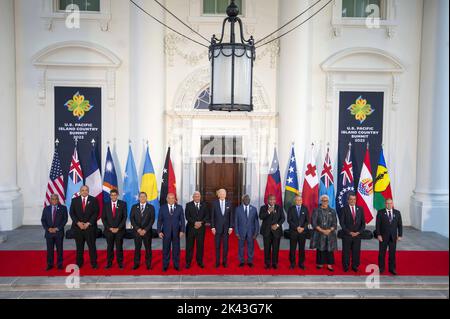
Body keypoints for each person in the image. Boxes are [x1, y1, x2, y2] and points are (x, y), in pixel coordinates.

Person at [69, 185, 99, 269]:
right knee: (79, 247)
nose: (84, 191)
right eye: (83, 190)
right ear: (80, 191)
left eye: (86, 190)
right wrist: (78, 223)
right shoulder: (74, 200)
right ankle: (79, 263)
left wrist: (88, 223)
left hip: (90, 228)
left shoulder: (93, 200)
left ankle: (94, 263)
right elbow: (72, 213)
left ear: (88, 191)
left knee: (92, 246)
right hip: (78, 228)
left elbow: (96, 213)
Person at [158, 193, 186, 271]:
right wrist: (159, 231)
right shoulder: (162, 208)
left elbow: (182, 220)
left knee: (176, 249)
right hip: (165, 232)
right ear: (167, 199)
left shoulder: (179, 208)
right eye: (169, 198)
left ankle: (176, 265)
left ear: (175, 199)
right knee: (166, 249)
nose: (171, 199)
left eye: (172, 198)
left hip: (176, 232)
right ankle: (165, 265)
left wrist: (182, 230)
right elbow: (159, 220)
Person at [310, 195, 338, 271]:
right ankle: (320, 263)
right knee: (320, 249)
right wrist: (322, 230)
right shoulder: (316, 210)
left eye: (326, 201)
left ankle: (329, 265)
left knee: (329, 249)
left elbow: (335, 223)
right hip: (319, 233)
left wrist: (329, 230)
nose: (324, 202)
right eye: (323, 200)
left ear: (328, 202)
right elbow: (313, 223)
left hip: (330, 233)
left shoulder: (332, 211)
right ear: (321, 201)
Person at [376, 198, 403, 275]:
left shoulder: (397, 213)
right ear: (385, 204)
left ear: (392, 204)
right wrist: (378, 235)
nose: (389, 205)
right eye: (387, 203)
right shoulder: (380, 212)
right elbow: (378, 225)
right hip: (383, 237)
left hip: (393, 237)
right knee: (382, 254)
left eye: (390, 203)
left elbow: (400, 225)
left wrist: (400, 235)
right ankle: (381, 268)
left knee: (392, 254)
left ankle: (392, 268)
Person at [41, 194, 68, 271]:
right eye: (53, 199)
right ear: (50, 200)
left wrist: (57, 228)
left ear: (58, 200)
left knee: (59, 250)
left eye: (56, 199)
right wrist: (48, 229)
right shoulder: (46, 209)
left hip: (58, 233)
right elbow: (43, 220)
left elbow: (65, 220)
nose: (54, 200)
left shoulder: (63, 208)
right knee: (50, 250)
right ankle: (50, 264)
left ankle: (60, 264)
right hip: (49, 233)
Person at [101, 189, 127, 269]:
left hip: (119, 230)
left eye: (115, 195)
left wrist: (118, 228)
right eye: (111, 195)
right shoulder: (106, 205)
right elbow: (103, 218)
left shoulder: (123, 204)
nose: (113, 196)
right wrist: (110, 228)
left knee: (119, 247)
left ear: (117, 195)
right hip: (109, 231)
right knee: (110, 247)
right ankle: (109, 263)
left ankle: (120, 263)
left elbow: (124, 217)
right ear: (110, 196)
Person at [340, 192, 365, 272]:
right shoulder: (344, 209)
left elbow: (363, 223)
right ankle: (346, 266)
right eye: (351, 199)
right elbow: (342, 223)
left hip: (357, 235)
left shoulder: (360, 209)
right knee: (346, 252)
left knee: (356, 251)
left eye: (354, 199)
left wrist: (358, 232)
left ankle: (355, 266)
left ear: (356, 200)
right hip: (347, 234)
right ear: (348, 200)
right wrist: (349, 232)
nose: (352, 201)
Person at [130, 192, 155, 270]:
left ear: (146, 198)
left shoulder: (151, 207)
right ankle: (136, 263)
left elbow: (152, 220)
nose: (142, 198)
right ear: (139, 198)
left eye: (144, 197)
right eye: (141, 197)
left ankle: (148, 264)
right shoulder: (134, 207)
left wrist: (145, 230)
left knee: (148, 249)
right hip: (137, 232)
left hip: (147, 232)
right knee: (137, 248)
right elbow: (132, 219)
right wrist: (138, 229)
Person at [259, 194, 284, 269]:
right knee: (267, 248)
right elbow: (261, 217)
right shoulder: (263, 208)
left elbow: (283, 218)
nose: (272, 201)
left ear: (275, 200)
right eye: (270, 199)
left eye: (273, 200)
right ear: (267, 200)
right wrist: (268, 212)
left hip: (276, 232)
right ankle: (267, 263)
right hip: (266, 231)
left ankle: (275, 263)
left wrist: (277, 225)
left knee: (276, 248)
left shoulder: (279, 208)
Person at [185, 191, 208, 269]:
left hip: (201, 229)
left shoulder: (204, 205)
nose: (197, 197)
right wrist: (195, 223)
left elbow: (207, 216)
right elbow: (187, 216)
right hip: (191, 228)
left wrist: (201, 223)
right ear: (193, 197)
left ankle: (200, 261)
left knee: (200, 246)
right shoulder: (188, 205)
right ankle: (188, 262)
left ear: (200, 197)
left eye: (198, 196)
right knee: (189, 247)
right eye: (195, 196)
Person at [211, 189, 234, 268]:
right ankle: (217, 262)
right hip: (217, 229)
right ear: (218, 194)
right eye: (221, 193)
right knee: (217, 246)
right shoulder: (214, 203)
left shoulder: (229, 203)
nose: (223, 194)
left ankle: (224, 262)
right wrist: (212, 227)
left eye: (224, 193)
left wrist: (231, 227)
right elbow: (212, 216)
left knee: (225, 246)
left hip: (226, 229)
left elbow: (231, 216)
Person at [235, 194, 259, 268]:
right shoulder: (238, 209)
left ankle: (250, 261)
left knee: (250, 247)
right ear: (242, 200)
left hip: (251, 232)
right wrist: (237, 232)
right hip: (241, 232)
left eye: (248, 199)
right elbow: (236, 222)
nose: (247, 200)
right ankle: (241, 261)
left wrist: (256, 233)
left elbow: (256, 222)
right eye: (245, 199)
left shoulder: (254, 209)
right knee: (241, 247)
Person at [287, 194, 309, 270]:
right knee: (292, 249)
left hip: (302, 232)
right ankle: (292, 263)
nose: (299, 201)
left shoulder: (305, 209)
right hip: (293, 232)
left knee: (302, 249)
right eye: (297, 200)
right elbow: (289, 220)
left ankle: (301, 263)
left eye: (300, 200)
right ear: (295, 201)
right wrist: (297, 227)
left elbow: (307, 221)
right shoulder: (291, 209)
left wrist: (303, 228)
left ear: (302, 201)